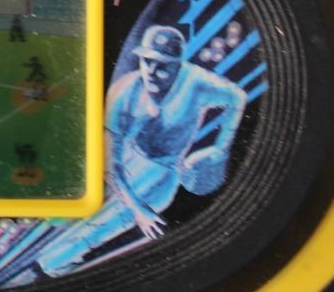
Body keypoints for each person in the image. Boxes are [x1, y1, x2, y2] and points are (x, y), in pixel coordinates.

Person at [34, 23, 247, 277]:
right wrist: (138, 211)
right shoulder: (124, 91)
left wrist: (222, 148)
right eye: (147, 62)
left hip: (160, 175)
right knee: (65, 212)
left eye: (162, 65)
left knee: (96, 231)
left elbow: (237, 97)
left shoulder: (198, 83)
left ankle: (52, 269)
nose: (152, 72)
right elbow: (111, 164)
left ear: (178, 65)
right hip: (123, 160)